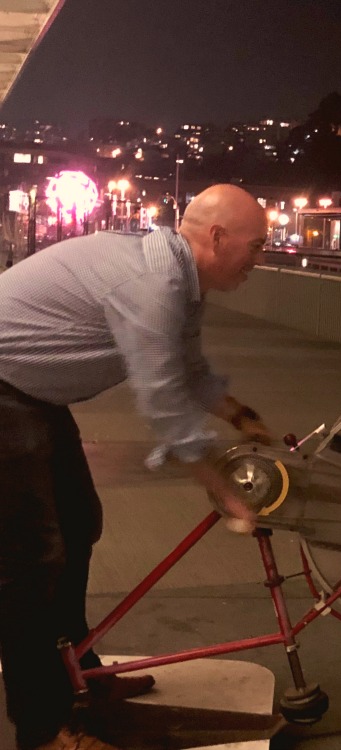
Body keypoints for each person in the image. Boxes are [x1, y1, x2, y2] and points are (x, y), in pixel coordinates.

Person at [0, 184, 273, 750]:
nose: (261, 258)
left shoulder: (183, 285)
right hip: (5, 389)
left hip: (31, 393)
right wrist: (225, 491)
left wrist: (241, 416)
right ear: (218, 239)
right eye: (258, 245)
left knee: (79, 524)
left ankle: (80, 674)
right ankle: (43, 728)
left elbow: (190, 369)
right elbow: (164, 399)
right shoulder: (153, 284)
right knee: (32, 557)